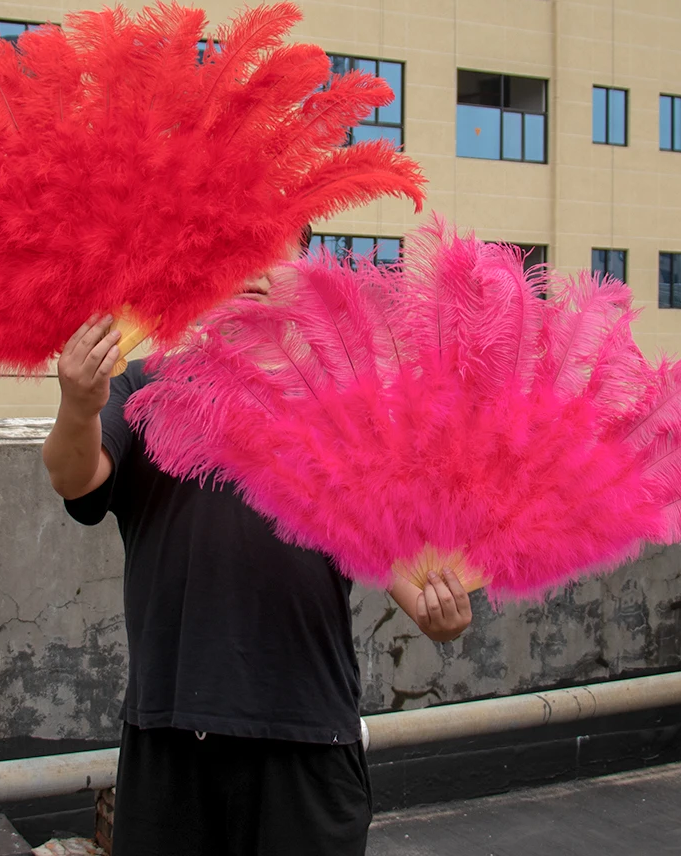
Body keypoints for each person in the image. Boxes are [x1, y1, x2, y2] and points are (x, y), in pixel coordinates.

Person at [42, 242, 474, 856]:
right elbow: (72, 477)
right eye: (234, 250)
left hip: (309, 737)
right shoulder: (142, 383)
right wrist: (78, 404)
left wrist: (440, 613)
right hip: (169, 737)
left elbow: (403, 563)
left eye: (273, 251)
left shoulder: (343, 407)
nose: (254, 270)